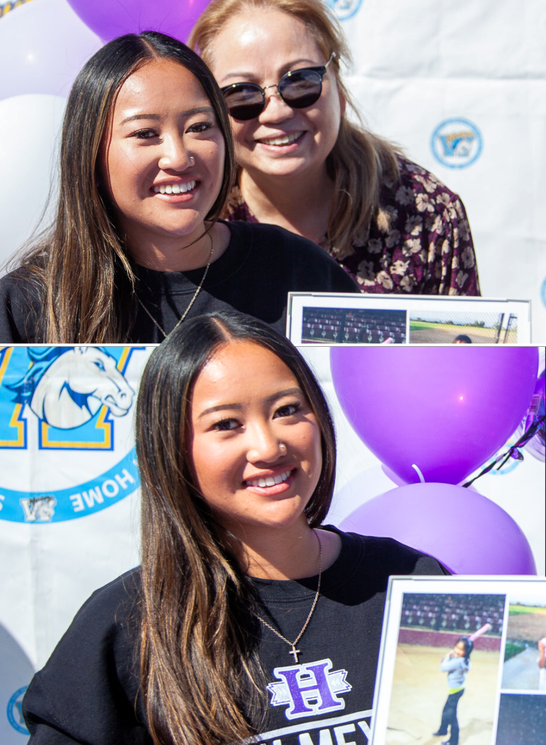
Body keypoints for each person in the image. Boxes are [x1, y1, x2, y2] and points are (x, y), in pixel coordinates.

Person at [22, 311, 448, 745]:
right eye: (226, 424)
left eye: (287, 410)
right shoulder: (129, 623)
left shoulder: (413, 581)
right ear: (171, 446)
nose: (267, 446)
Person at [0, 32, 358, 344]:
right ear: (91, 152)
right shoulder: (29, 305)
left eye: (199, 127)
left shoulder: (299, 271)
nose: (178, 157)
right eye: (145, 133)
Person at [188, 0, 481, 296]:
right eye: (242, 93)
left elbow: (463, 347)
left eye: (300, 81)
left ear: (338, 86)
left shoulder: (426, 214)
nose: (277, 110)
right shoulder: (190, 218)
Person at [433, 636, 474, 745]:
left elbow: (443, 668)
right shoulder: (464, 660)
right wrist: (451, 658)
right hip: (458, 689)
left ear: (466, 652)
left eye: (461, 650)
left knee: (451, 716)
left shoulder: (458, 662)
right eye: (456, 647)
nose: (457, 650)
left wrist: (446, 658)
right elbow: (451, 664)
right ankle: (443, 730)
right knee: (446, 710)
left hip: (455, 691)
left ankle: (454, 741)